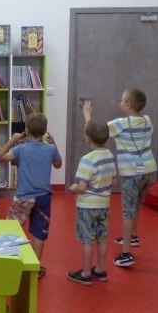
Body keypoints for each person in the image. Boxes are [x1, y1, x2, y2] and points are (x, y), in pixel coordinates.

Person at [83, 88, 157, 267]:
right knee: (136, 206)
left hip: (132, 174)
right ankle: (132, 236)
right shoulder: (147, 120)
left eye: (122, 101)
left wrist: (87, 114)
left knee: (127, 211)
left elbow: (96, 132)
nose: (119, 103)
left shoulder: (120, 123)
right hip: (150, 171)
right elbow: (149, 133)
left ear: (128, 105)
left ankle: (126, 253)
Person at [0, 112, 62, 279]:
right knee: (40, 232)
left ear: (26, 130)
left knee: (12, 227)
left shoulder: (21, 148)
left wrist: (12, 140)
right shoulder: (50, 149)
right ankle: (35, 266)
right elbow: (58, 164)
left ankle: (8, 262)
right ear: (45, 131)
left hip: (24, 196)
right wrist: (54, 143)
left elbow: (2, 157)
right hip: (43, 197)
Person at [67, 119, 117, 285]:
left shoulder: (87, 159)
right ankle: (101, 269)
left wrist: (73, 187)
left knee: (87, 239)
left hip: (87, 206)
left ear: (87, 138)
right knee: (101, 238)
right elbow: (114, 181)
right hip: (104, 204)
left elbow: (81, 186)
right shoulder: (110, 156)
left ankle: (86, 272)